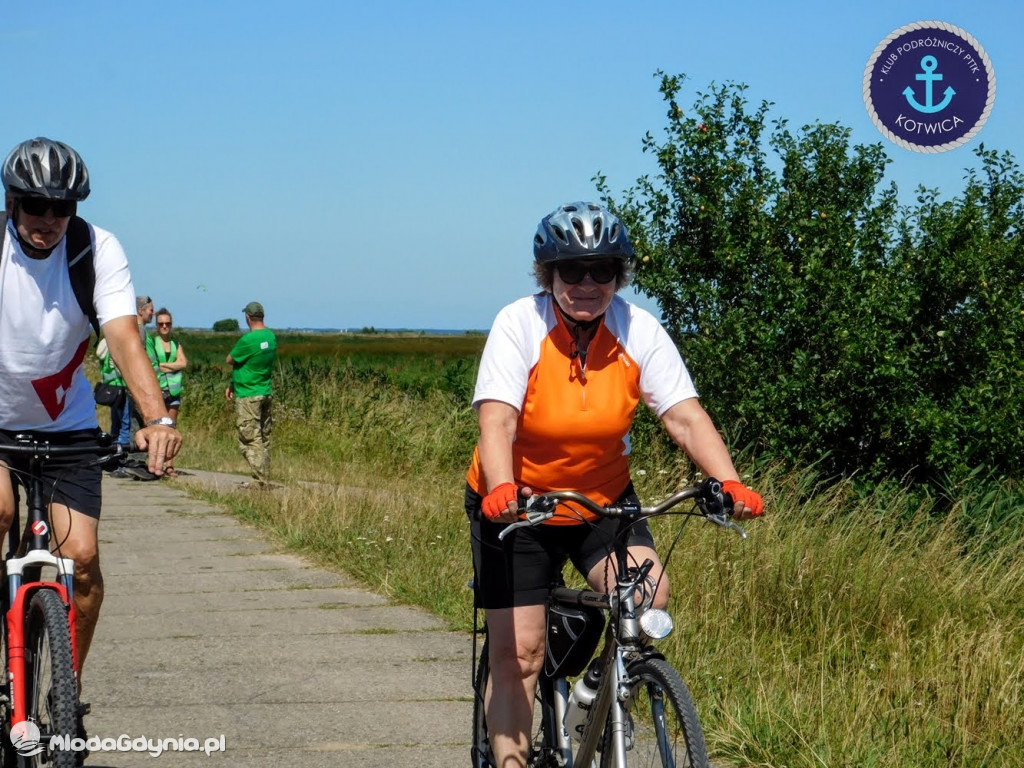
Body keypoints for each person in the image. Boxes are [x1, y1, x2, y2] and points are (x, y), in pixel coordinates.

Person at [465, 201, 765, 767]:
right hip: (519, 505)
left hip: (599, 501)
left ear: (618, 276)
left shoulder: (636, 328)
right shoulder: (519, 325)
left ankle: (593, 694)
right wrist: (501, 489)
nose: (585, 283)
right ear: (547, 276)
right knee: (521, 655)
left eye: (601, 270)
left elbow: (684, 416)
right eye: (570, 271)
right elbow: (497, 420)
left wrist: (729, 481)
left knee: (649, 595)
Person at [0, 138, 181, 723]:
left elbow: (124, 335)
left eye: (62, 207)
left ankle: (65, 689)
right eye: (34, 205)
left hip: (66, 428)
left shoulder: (95, 249)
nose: (48, 220)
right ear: (11, 200)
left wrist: (156, 418)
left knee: (82, 559)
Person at [225, 301, 276, 489]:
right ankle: (264, 476)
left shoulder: (248, 340)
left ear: (247, 317)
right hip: (264, 391)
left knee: (249, 438)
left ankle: (260, 480)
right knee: (263, 436)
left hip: (248, 393)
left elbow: (230, 359)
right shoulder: (270, 336)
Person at [147, 308, 188, 477]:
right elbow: (153, 365)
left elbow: (183, 363)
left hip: (174, 390)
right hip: (158, 390)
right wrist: (173, 365)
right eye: (161, 324)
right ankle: (155, 464)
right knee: (158, 427)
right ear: (156, 325)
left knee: (171, 427)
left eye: (168, 324)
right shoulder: (152, 342)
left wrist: (165, 366)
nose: (164, 326)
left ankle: (169, 465)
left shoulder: (176, 344)